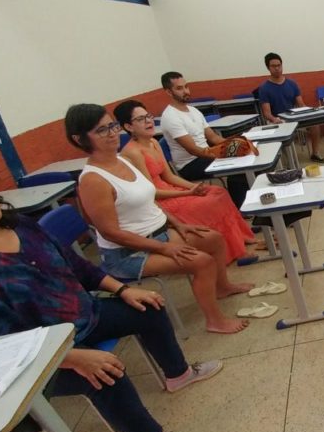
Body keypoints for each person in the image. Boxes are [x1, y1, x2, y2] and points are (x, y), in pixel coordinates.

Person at [0, 160, 227, 432]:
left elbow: (78, 266)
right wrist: (73, 358)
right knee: (106, 372)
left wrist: (123, 290)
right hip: (38, 359)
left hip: (82, 315)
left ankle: (179, 375)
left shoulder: (21, 226)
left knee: (149, 307)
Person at [66, 103, 253, 334]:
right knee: (201, 262)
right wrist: (165, 248)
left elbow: (149, 200)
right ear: (80, 139)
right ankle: (215, 321)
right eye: (101, 130)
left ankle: (222, 288)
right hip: (127, 254)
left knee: (213, 238)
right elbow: (110, 233)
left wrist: (178, 224)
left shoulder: (123, 161)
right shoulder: (93, 180)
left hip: (158, 234)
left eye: (112, 126)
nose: (112, 133)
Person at [115, 99, 259, 264]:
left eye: (148, 116)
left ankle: (239, 239)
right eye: (141, 119)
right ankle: (231, 251)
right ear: (128, 126)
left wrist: (195, 187)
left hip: (170, 188)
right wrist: (189, 192)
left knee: (218, 192)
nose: (148, 121)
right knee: (209, 203)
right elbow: (151, 193)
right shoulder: (132, 152)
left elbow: (169, 177)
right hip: (160, 200)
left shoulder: (153, 142)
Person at [157, 71, 255, 207]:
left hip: (205, 155)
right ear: (169, 92)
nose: (186, 91)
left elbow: (213, 137)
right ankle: (242, 208)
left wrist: (236, 143)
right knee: (238, 169)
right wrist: (222, 154)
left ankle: (250, 203)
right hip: (190, 164)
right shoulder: (170, 117)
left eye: (186, 86)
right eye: (179, 88)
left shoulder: (194, 111)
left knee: (247, 158)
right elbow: (193, 150)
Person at [257, 53, 324, 163]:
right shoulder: (264, 88)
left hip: (293, 117)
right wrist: (274, 119)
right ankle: (289, 160)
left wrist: (310, 112)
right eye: (273, 66)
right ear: (268, 68)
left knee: (315, 125)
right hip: (277, 120)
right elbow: (267, 113)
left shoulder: (291, 84)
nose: (277, 68)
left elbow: (301, 104)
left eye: (279, 65)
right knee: (284, 134)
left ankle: (315, 153)